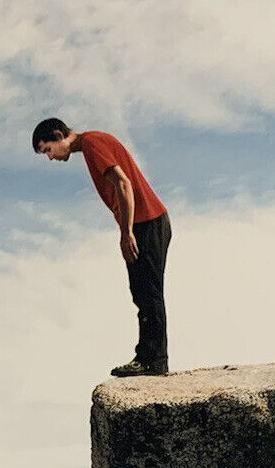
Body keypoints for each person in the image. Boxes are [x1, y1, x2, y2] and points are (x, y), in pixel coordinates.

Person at [32, 118, 171, 376]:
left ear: (59, 135)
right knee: (141, 292)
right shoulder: (90, 146)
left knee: (148, 293)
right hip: (146, 222)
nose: (50, 158)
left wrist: (126, 232)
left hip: (146, 222)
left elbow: (123, 184)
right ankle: (147, 357)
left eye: (48, 150)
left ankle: (155, 361)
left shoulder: (93, 142)